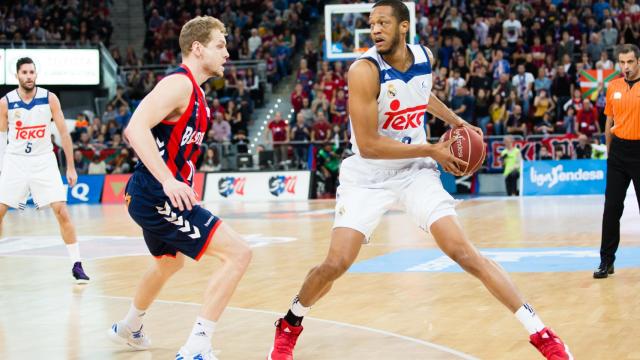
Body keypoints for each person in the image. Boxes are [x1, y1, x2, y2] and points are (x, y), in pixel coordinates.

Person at [266, 2, 571, 360]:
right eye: (371, 24)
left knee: (463, 252)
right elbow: (368, 146)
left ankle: (542, 334)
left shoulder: (423, 56)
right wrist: (431, 149)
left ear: (404, 26)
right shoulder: (363, 70)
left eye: (382, 22)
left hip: (414, 170)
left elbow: (421, 94)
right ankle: (290, 322)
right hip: (369, 174)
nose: (375, 29)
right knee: (337, 263)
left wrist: (457, 122)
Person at [106, 16, 252, 360]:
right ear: (197, 48)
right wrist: (169, 180)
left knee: (169, 263)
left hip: (153, 194)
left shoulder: (197, 93)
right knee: (239, 254)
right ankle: (197, 347)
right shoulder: (179, 84)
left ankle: (130, 326)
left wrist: (177, 181)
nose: (227, 53)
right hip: (156, 195)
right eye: (220, 45)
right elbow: (135, 129)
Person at [0, 57, 89, 284]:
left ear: (36, 74)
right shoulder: (6, 102)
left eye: (32, 72)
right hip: (15, 160)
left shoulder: (49, 98)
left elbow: (64, 134)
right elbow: (1, 137)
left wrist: (70, 166)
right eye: (24, 73)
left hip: (44, 160)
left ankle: (77, 264)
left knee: (62, 211)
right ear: (17, 76)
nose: (29, 76)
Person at [595, 44, 640, 279]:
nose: (626, 67)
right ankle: (606, 262)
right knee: (611, 209)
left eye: (630, 62)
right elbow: (608, 122)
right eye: (622, 62)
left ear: (638, 62)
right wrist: (610, 152)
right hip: (619, 153)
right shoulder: (613, 86)